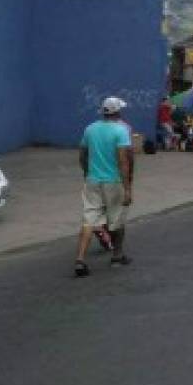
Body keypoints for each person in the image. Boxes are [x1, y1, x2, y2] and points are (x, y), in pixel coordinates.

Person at [74, 97, 133, 277]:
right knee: (117, 220)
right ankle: (117, 255)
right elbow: (123, 161)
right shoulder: (121, 131)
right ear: (118, 112)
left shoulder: (90, 129)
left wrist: (86, 172)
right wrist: (128, 187)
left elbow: (82, 155)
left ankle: (80, 259)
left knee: (88, 220)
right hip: (113, 182)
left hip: (92, 181)